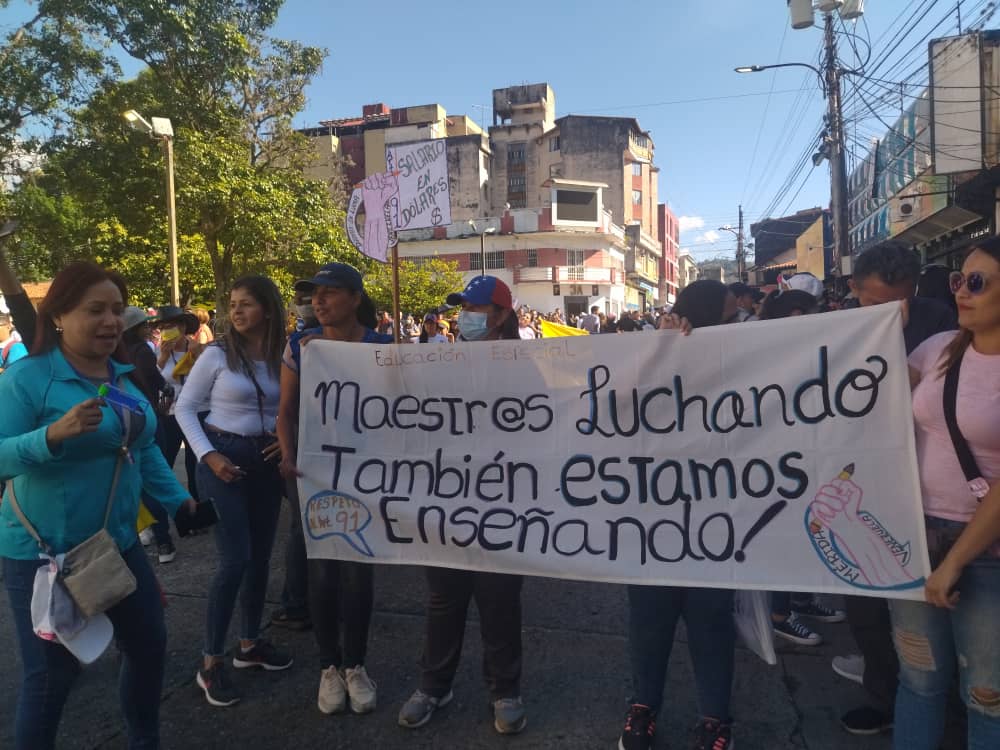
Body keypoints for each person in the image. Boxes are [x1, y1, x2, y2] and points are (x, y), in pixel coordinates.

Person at [0, 261, 194, 750]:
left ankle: (143, 740)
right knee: (51, 679)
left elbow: (141, 446)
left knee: (148, 646)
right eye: (95, 310)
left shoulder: (122, 376)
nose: (111, 320)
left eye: (116, 309)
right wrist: (51, 436)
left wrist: (180, 501)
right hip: (45, 556)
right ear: (60, 315)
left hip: (116, 545)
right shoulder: (28, 378)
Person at [833, 240, 959, 736]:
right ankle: (884, 696)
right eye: (874, 303)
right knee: (863, 601)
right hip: (857, 481)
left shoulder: (942, 325)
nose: (889, 313)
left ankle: (943, 703)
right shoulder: (829, 328)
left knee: (932, 603)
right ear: (853, 290)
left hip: (926, 486)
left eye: (898, 301)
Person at [398, 275, 526, 735]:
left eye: (473, 308)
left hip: (502, 503)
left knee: (499, 601)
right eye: (461, 308)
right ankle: (434, 685)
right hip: (447, 499)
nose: (463, 316)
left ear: (500, 315)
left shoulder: (526, 366)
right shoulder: (440, 360)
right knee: (443, 598)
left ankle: (505, 689)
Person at [890, 237, 1000, 750]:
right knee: (918, 680)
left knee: (988, 697)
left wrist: (955, 562)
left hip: (985, 555)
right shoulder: (935, 349)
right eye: (959, 279)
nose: (962, 291)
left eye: (976, 282)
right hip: (913, 537)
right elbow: (856, 392)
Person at [624, 279, 738, 750]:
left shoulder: (746, 356)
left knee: (711, 623)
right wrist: (660, 347)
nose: (740, 323)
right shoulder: (656, 351)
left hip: (717, 519)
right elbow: (617, 404)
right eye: (731, 316)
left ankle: (715, 718)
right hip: (653, 519)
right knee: (649, 622)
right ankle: (642, 707)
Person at [277, 262, 390, 716]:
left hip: (367, 471)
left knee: (359, 568)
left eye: (330, 292)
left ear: (355, 298)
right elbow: (286, 411)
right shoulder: (301, 347)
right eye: (313, 295)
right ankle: (329, 667)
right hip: (315, 471)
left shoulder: (384, 346)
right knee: (321, 568)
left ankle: (356, 665)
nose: (319, 301)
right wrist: (287, 454)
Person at [176, 275, 291, 707]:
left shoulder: (286, 353)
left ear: (267, 308)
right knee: (235, 559)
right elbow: (185, 408)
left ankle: (249, 644)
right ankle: (211, 662)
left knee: (261, 557)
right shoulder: (218, 354)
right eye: (233, 304)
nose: (237, 311)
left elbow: (295, 404)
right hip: (222, 456)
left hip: (266, 461)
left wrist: (289, 435)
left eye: (246, 304)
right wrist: (208, 456)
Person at [120, 306, 179, 564]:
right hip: (148, 419)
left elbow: (108, 389)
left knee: (136, 480)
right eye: (144, 324)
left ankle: (145, 530)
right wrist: (166, 390)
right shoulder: (143, 350)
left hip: (124, 422)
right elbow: (154, 380)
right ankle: (164, 540)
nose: (149, 327)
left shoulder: (114, 355)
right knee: (154, 478)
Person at [153, 306, 204, 536]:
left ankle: (198, 519)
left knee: (196, 468)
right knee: (164, 465)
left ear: (183, 328)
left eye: (170, 326)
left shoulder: (200, 350)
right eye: (162, 327)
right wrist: (162, 359)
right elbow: (151, 381)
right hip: (171, 415)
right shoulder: (158, 353)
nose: (166, 331)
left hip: (198, 413)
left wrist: (199, 354)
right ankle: (159, 524)